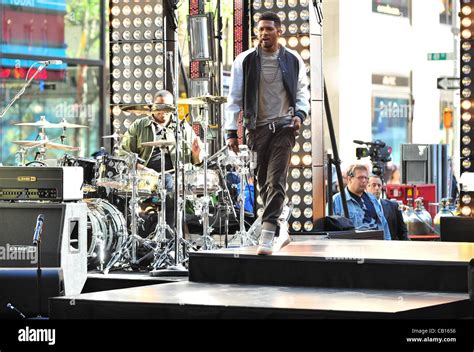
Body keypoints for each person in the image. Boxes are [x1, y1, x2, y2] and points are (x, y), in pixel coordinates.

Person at [224, 11, 310, 255]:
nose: (263, 34)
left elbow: (303, 92)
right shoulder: (245, 60)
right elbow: (234, 99)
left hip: (284, 127)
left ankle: (268, 231)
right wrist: (232, 131)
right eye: (260, 29)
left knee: (276, 179)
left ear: (279, 31)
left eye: (269, 29)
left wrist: (300, 115)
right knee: (263, 183)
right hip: (257, 130)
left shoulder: (293, 59)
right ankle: (280, 224)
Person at [120, 90, 203, 228]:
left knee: (170, 182)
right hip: (144, 177)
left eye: (166, 107)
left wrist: (196, 153)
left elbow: (197, 161)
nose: (162, 111)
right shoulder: (139, 126)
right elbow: (124, 154)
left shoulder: (182, 128)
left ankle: (169, 238)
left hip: (175, 177)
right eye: (158, 106)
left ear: (172, 107)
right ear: (152, 106)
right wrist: (140, 168)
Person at [332, 164, 392, 240]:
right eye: (360, 178)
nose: (364, 181)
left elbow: (384, 225)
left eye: (366, 178)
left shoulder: (372, 199)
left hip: (376, 246)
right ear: (349, 179)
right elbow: (331, 231)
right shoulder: (336, 201)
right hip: (352, 247)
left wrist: (387, 244)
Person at [367, 175, 408, 240]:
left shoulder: (393, 205)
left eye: (379, 185)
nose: (377, 188)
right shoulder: (362, 207)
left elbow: (402, 231)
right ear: (366, 187)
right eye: (373, 185)